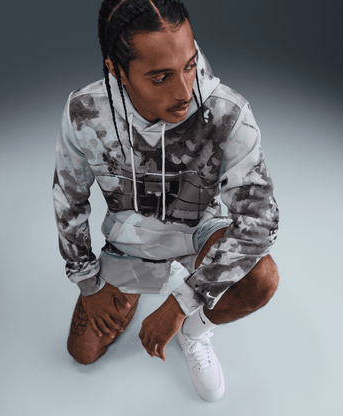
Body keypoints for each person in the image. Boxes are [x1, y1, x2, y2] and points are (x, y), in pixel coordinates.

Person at [53, 0, 279, 402]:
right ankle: (139, 284)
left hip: (199, 233)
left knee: (262, 277)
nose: (183, 92)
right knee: (82, 353)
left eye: (189, 66)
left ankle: (195, 332)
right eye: (160, 78)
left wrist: (181, 305)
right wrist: (89, 283)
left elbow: (259, 222)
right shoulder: (85, 111)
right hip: (128, 241)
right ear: (116, 70)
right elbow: (68, 198)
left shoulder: (227, 112)